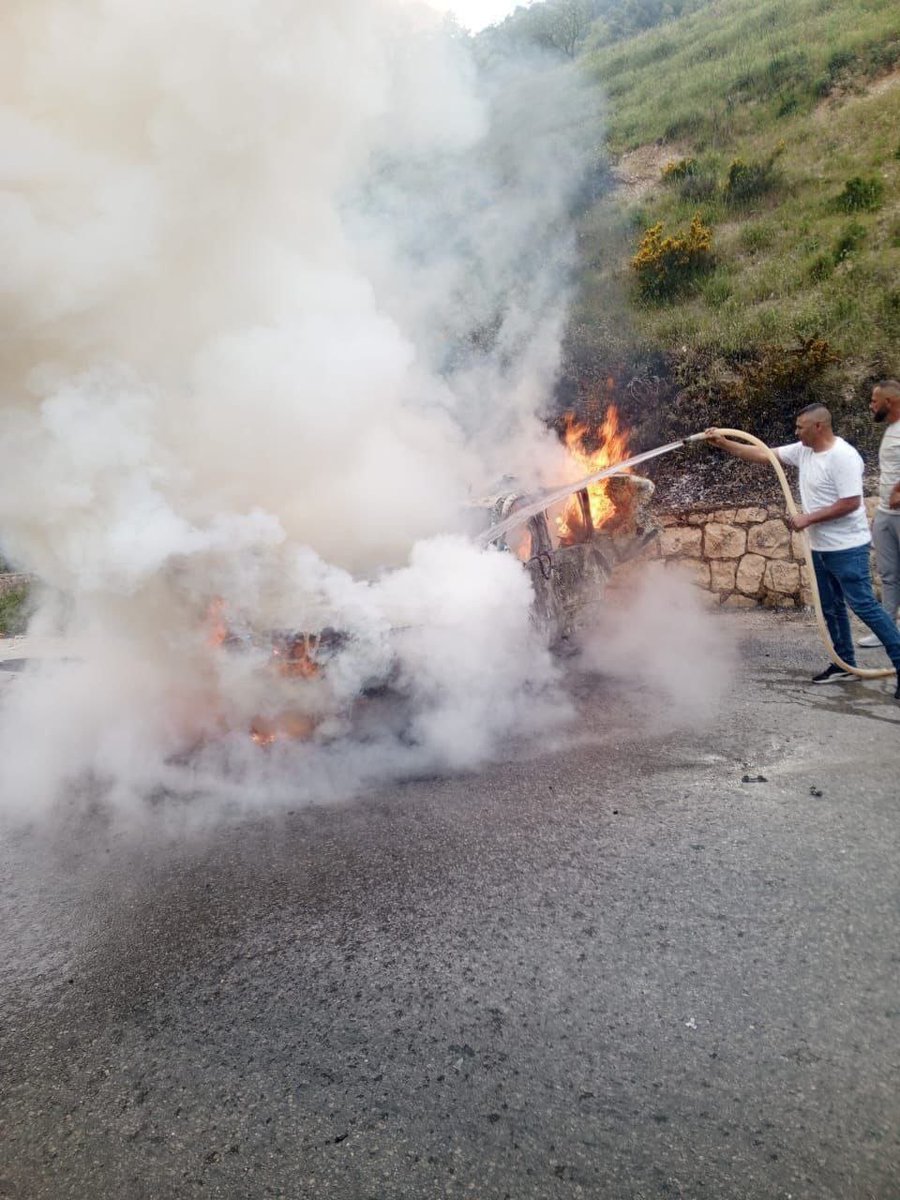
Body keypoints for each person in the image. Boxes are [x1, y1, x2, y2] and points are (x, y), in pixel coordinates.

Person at [705, 404, 900, 699]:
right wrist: (724, 442)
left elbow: (850, 502)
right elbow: (762, 454)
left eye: (801, 427)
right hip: (820, 547)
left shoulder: (843, 457)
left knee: (865, 607)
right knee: (831, 608)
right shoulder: (803, 450)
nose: (796, 432)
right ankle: (844, 663)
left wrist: (807, 518)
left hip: (847, 548)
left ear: (819, 426)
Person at [857, 379, 900, 648]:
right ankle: (887, 630)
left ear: (889, 402)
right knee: (888, 575)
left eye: (874, 401)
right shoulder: (890, 430)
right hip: (886, 514)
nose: (871, 405)